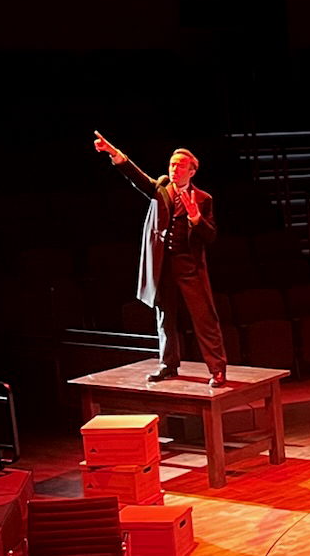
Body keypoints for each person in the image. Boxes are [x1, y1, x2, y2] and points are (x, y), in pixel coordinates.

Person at [93, 130, 229, 389]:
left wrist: (196, 219)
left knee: (204, 318)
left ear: (192, 171)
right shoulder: (161, 188)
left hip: (188, 267)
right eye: (172, 164)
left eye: (180, 166)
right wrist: (115, 155)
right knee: (165, 317)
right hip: (163, 266)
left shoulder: (204, 199)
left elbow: (211, 236)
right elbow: (138, 177)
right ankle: (168, 364)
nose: (175, 169)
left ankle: (218, 369)